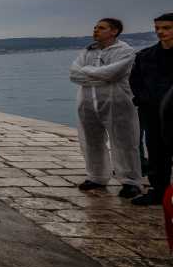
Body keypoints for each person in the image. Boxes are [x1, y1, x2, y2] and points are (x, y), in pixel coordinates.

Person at [69, 18, 143, 197]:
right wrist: (99, 76)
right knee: (90, 141)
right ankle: (96, 176)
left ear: (114, 31)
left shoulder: (125, 51)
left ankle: (130, 181)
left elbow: (113, 73)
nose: (95, 30)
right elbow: (74, 74)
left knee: (125, 142)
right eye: (95, 27)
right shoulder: (88, 51)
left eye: (101, 28)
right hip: (87, 104)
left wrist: (87, 71)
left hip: (117, 103)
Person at [129, 13, 173, 206]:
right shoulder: (145, 56)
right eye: (157, 28)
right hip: (153, 112)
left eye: (166, 28)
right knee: (156, 153)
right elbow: (135, 81)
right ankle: (159, 191)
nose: (160, 32)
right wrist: (143, 100)